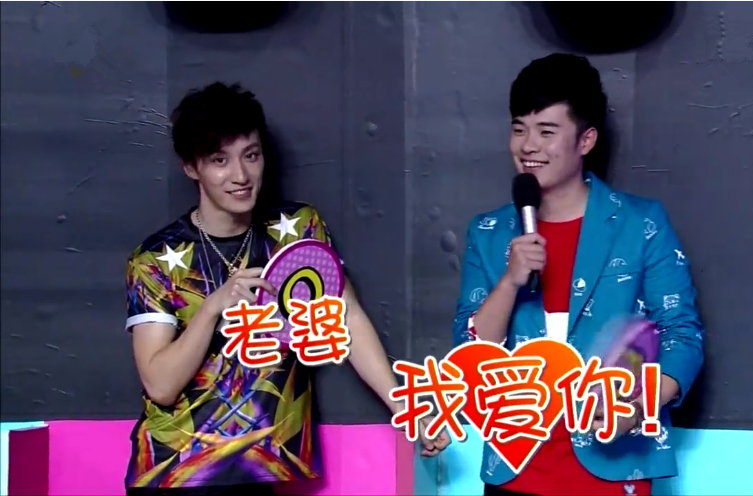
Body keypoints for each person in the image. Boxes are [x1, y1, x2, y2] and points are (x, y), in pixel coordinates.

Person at [124, 83, 449, 495]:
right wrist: (211, 308)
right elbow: (160, 385)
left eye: (251, 155)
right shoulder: (156, 258)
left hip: (262, 468)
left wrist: (407, 410)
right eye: (219, 160)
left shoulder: (297, 230)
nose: (240, 176)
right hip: (175, 472)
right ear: (191, 167)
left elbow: (346, 318)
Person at [452, 53, 704, 496]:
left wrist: (638, 406)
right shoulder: (489, 233)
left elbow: (682, 335)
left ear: (586, 140)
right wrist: (510, 282)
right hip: (515, 468)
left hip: (613, 468)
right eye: (519, 129)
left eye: (547, 131)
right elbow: (470, 351)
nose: (529, 146)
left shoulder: (639, 224)